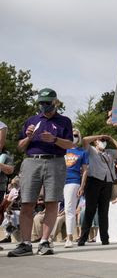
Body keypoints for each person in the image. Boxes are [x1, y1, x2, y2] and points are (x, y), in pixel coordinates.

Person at [8, 88, 73, 257]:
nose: (44, 106)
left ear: (55, 102)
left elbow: (70, 145)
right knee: (27, 202)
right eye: (41, 103)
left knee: (52, 202)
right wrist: (29, 137)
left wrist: (54, 139)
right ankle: (26, 243)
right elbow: (20, 146)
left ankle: (44, 241)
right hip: (31, 161)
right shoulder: (32, 120)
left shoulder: (64, 121)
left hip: (55, 161)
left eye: (47, 103)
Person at [78, 134, 117, 247]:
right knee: (90, 210)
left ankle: (105, 238)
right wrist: (99, 136)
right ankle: (83, 238)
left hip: (107, 181)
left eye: (104, 141)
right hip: (93, 181)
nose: (103, 142)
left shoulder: (109, 152)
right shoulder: (91, 150)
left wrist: (111, 138)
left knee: (104, 211)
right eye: (101, 141)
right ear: (96, 142)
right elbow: (84, 140)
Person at [62, 129, 88, 248]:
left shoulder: (82, 152)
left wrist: (82, 186)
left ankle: (69, 237)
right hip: (59, 181)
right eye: (71, 135)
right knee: (54, 208)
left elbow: (85, 171)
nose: (73, 137)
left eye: (76, 135)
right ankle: (49, 237)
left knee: (69, 209)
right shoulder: (62, 150)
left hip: (73, 181)